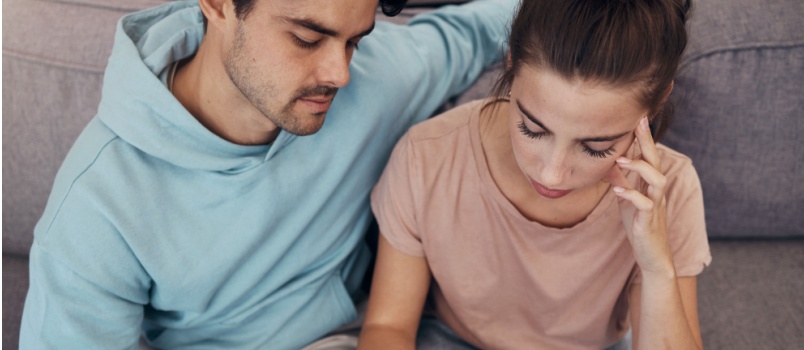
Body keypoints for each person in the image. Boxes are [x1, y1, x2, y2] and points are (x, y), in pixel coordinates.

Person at [18, 0, 518, 348]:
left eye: (354, 42)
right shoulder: (96, 207)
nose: (339, 74)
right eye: (307, 38)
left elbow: (475, 31)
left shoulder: (375, 80)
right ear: (218, 4)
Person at [359, 0, 712, 349]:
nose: (552, 175)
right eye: (532, 129)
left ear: (658, 102)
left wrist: (657, 270)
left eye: (595, 148)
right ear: (511, 62)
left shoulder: (670, 189)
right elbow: (388, 326)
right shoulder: (427, 157)